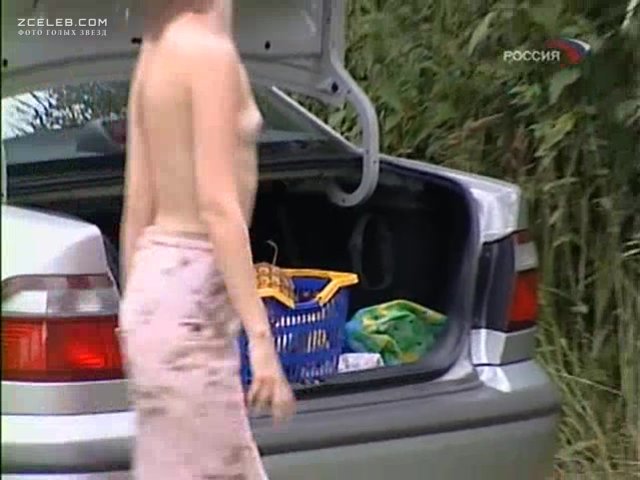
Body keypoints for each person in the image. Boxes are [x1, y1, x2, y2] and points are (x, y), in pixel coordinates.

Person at [117, 0, 296, 478]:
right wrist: (261, 339)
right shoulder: (210, 54)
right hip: (191, 298)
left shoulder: (156, 51)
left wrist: (132, 314)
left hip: (155, 288)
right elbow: (219, 206)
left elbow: (137, 202)